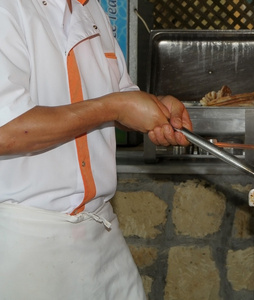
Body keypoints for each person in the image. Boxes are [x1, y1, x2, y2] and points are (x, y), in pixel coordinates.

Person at [0, 0, 192, 299]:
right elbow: (7, 132)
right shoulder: (9, 9)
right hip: (26, 238)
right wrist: (114, 107)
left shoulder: (93, 11)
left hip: (102, 233)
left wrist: (153, 107)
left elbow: (118, 95)